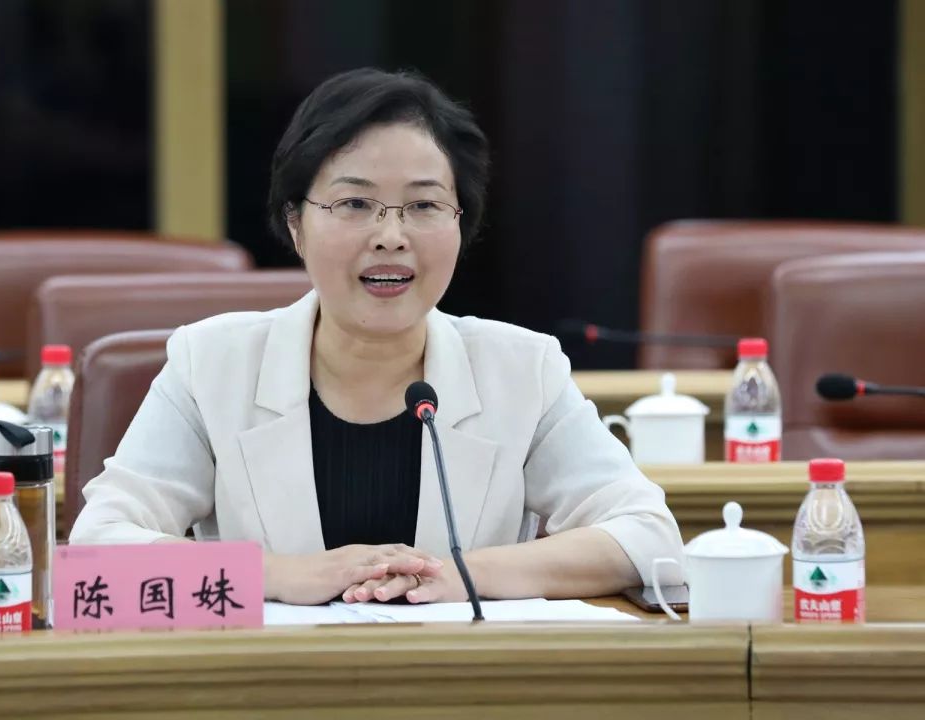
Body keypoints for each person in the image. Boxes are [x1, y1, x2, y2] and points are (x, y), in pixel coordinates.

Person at [70, 67, 685, 606]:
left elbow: (649, 536)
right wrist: (281, 575)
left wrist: (460, 575)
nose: (391, 236)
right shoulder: (210, 364)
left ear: (461, 224)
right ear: (296, 224)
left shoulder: (523, 369)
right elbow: (98, 548)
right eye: (355, 204)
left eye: (424, 206)